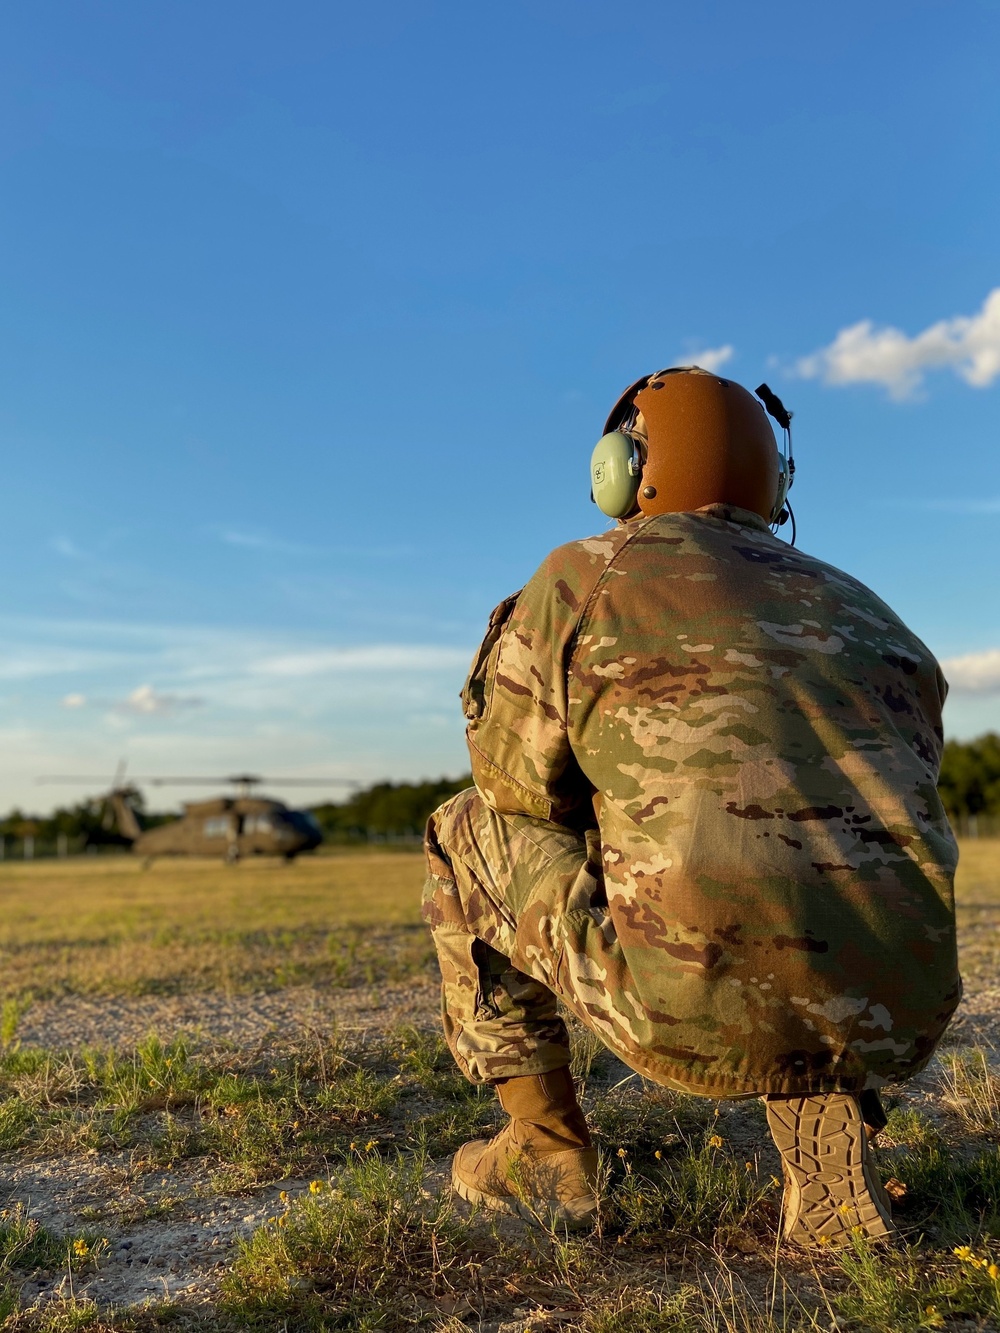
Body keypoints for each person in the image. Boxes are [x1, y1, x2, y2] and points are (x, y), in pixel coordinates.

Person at [422, 366, 960, 1247]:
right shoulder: (875, 612)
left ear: (626, 467)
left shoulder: (582, 578)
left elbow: (512, 786)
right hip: (895, 1002)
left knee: (463, 833)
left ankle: (547, 1156)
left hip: (687, 996)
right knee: (813, 861)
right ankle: (826, 1140)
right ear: (771, 479)